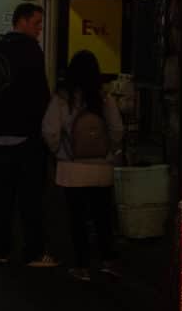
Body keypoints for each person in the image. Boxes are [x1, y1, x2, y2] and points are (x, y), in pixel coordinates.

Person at [0, 2, 57, 268]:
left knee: (1, 197)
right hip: (25, 133)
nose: (38, 30)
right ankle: (33, 252)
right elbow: (40, 93)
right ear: (22, 21)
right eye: (36, 23)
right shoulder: (29, 49)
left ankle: (1, 250)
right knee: (30, 197)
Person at [42, 49, 125, 282]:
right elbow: (117, 130)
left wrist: (60, 152)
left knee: (77, 219)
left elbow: (50, 131)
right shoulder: (104, 98)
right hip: (101, 169)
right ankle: (108, 261)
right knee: (102, 217)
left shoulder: (62, 99)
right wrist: (109, 150)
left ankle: (82, 266)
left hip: (71, 170)